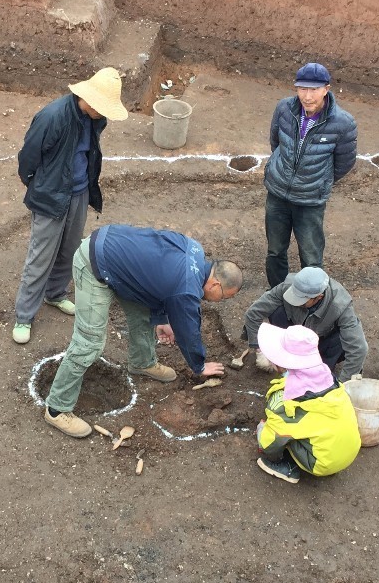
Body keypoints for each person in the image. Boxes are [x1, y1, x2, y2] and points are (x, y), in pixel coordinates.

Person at [44, 224, 243, 438]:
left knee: (143, 314)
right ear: (214, 285)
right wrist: (199, 365)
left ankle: (142, 362)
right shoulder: (187, 288)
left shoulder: (194, 249)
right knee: (89, 342)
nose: (220, 301)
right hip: (95, 263)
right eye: (224, 297)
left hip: (117, 252)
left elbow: (155, 278)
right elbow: (188, 331)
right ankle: (57, 409)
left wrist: (161, 318)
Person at [13, 67, 129, 345]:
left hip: (78, 193)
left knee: (70, 248)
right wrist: (38, 186)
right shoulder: (53, 116)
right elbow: (28, 157)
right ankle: (24, 316)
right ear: (89, 100)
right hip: (51, 195)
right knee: (41, 256)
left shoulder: (93, 118)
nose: (105, 113)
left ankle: (55, 294)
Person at [262, 62, 358, 286]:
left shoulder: (343, 123)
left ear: (326, 89)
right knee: (275, 251)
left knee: (312, 258)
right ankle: (278, 294)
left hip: (310, 201)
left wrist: (319, 182)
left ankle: (312, 302)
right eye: (302, 89)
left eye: (314, 89)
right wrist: (283, 171)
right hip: (277, 194)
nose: (307, 96)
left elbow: (344, 162)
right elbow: (276, 142)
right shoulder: (284, 108)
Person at [254, 322, 361, 483]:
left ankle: (289, 469)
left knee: (277, 436)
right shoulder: (328, 377)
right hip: (349, 451)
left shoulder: (287, 402)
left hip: (323, 463)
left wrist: (262, 431)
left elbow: (268, 445)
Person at [243, 265, 368, 381]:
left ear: (319, 296)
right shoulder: (288, 286)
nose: (296, 300)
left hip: (321, 341)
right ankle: (286, 355)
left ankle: (321, 368)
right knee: (276, 311)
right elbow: (254, 313)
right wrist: (259, 349)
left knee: (340, 341)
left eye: (302, 299)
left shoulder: (340, 305)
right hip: (294, 333)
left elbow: (359, 348)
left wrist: (343, 385)